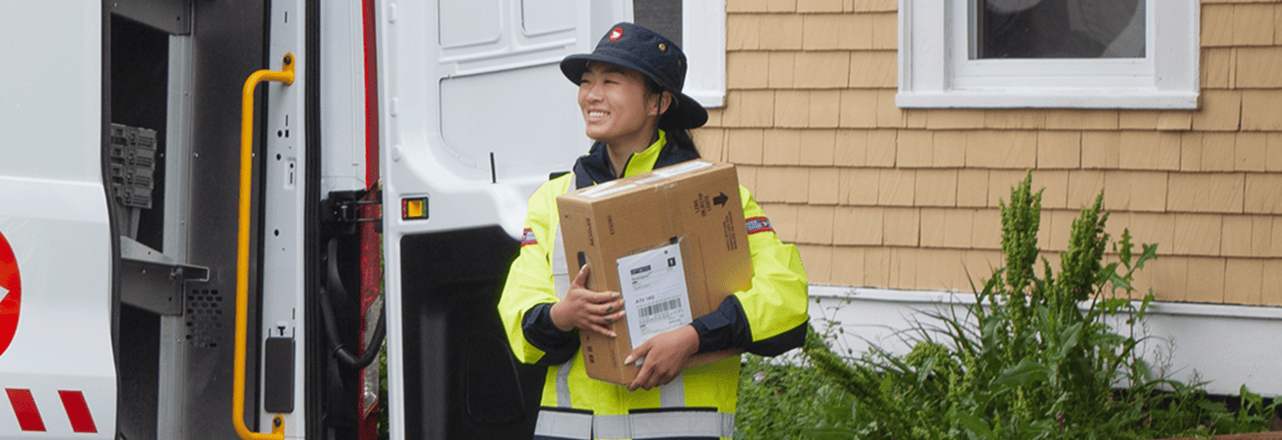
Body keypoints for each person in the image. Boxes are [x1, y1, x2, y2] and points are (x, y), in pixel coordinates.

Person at [497, 22, 809, 440]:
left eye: (610, 81)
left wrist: (693, 338)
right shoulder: (552, 199)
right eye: (587, 81)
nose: (591, 94)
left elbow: (785, 296)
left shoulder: (715, 196)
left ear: (658, 102)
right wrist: (563, 314)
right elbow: (520, 314)